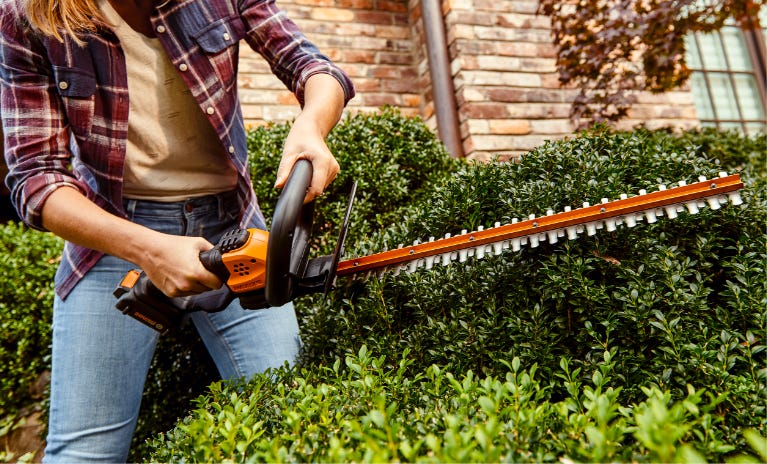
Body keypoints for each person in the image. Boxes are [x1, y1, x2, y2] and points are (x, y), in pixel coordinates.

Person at [0, 0, 354, 461]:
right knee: (85, 453)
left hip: (233, 228)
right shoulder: (28, 13)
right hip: (113, 234)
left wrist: (311, 125)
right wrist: (148, 249)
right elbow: (35, 178)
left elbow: (314, 67)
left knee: (299, 426)